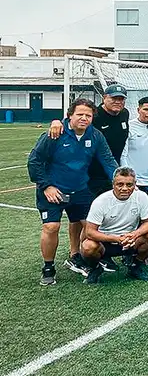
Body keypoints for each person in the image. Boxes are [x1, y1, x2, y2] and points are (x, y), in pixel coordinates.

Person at [28, 98, 118, 285]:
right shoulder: (55, 133)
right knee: (51, 227)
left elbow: (108, 160)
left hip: (80, 188)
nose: (84, 118)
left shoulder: (95, 136)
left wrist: (120, 180)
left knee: (91, 226)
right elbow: (34, 162)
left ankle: (78, 257)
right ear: (69, 116)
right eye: (80, 114)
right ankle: (48, 267)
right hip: (53, 189)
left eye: (88, 115)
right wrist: (46, 186)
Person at [47, 83, 129, 196]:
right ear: (104, 97)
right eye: (114, 98)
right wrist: (57, 122)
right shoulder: (93, 115)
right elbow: (74, 120)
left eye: (121, 99)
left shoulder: (124, 114)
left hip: (111, 168)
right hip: (91, 172)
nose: (118, 102)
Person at [80, 167, 148, 283]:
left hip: (130, 240)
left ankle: (136, 265)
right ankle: (96, 268)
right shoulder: (101, 201)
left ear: (135, 184)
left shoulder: (141, 197)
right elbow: (90, 232)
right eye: (120, 184)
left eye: (129, 185)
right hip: (105, 242)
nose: (124, 188)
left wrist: (134, 234)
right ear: (113, 184)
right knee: (88, 246)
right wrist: (116, 238)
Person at [120, 96, 148, 196]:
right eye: (146, 109)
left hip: (147, 182)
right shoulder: (129, 127)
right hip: (130, 182)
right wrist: (128, 179)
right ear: (138, 110)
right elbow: (123, 155)